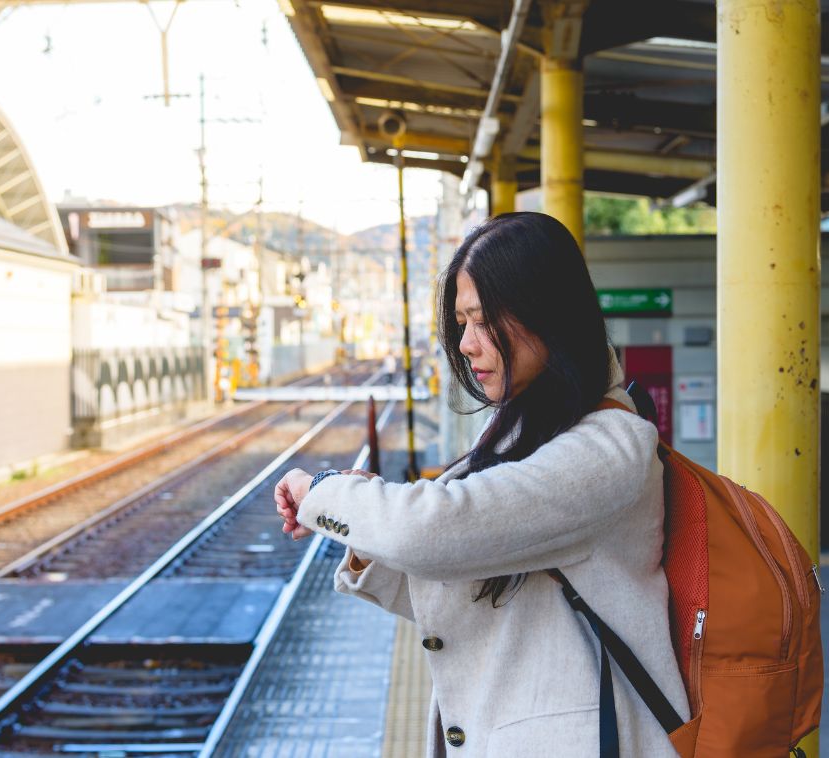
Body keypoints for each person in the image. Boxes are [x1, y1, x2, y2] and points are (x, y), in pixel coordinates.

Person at [274, 212, 688, 757]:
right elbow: (463, 588)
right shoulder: (529, 431)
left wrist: (325, 491)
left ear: (549, 315)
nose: (467, 344)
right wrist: (364, 539)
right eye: (462, 322)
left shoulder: (607, 449)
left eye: (483, 319)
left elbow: (436, 530)